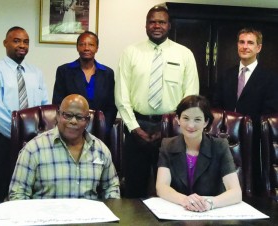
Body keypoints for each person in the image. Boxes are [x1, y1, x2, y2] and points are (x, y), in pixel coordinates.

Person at [115, 5, 199, 198]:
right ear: (146, 25)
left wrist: (172, 127)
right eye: (152, 21)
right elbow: (122, 94)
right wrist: (134, 128)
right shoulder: (130, 52)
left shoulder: (184, 54)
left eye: (161, 22)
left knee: (174, 188)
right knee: (134, 189)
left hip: (172, 129)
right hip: (137, 127)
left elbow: (191, 96)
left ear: (169, 25)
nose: (156, 25)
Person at [9, 94, 120, 200]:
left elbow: (112, 189)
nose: (73, 121)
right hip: (47, 217)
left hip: (89, 218)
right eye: (67, 115)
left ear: (87, 121)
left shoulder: (101, 150)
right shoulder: (34, 149)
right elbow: (18, 194)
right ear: (58, 116)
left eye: (80, 117)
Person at [0, 26, 49, 203]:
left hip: (34, 143)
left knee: (29, 193)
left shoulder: (36, 73)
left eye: (26, 42)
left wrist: (36, 138)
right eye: (16, 40)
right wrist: (20, 137)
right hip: (5, 141)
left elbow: (44, 107)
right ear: (5, 43)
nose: (22, 45)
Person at [213, 27, 278, 195]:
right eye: (242, 42)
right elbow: (216, 108)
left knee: (251, 188)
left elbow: (269, 113)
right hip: (224, 141)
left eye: (250, 43)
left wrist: (245, 127)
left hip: (255, 143)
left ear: (259, 47)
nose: (245, 46)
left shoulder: (270, 78)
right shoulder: (225, 75)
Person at [156, 95, 242, 212]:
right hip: (178, 213)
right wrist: (185, 200)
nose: (191, 125)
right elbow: (161, 187)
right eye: (186, 118)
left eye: (197, 119)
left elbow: (236, 192)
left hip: (211, 214)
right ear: (178, 119)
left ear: (206, 122)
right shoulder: (168, 145)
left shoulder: (219, 146)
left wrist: (209, 203)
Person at [53, 31, 117, 135]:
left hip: (100, 131)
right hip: (71, 128)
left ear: (97, 48)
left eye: (91, 44)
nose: (86, 48)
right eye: (82, 44)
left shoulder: (107, 73)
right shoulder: (64, 71)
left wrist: (104, 129)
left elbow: (111, 106)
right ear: (77, 47)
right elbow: (58, 103)